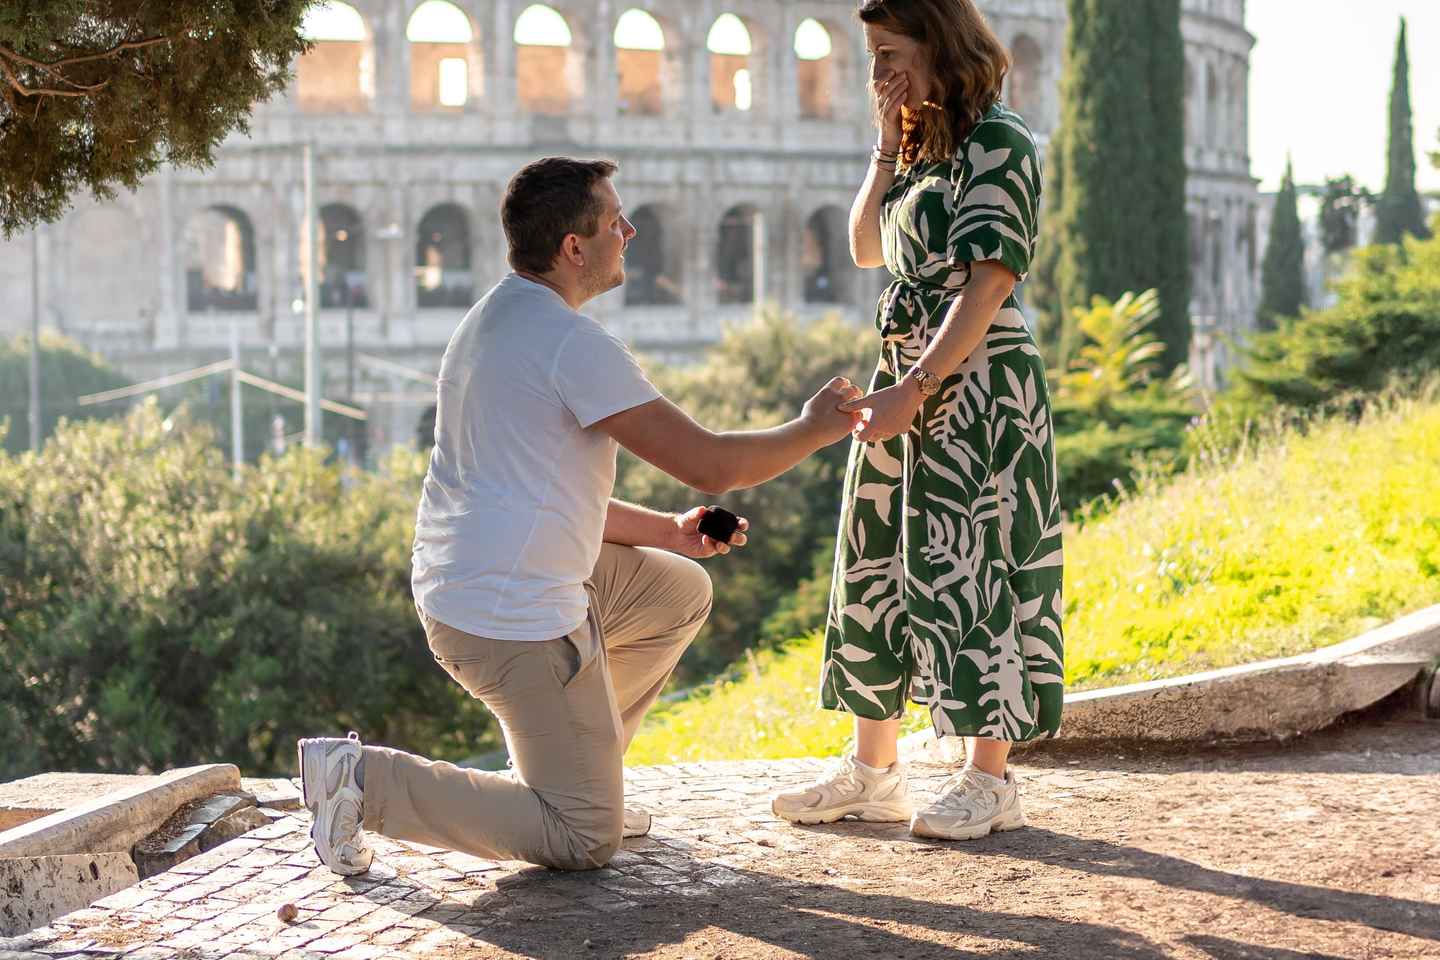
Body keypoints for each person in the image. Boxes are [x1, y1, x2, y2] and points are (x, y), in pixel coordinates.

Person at [298, 157, 862, 875]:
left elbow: (541, 494)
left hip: (469, 583)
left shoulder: (494, 316)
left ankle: (575, 764)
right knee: (583, 836)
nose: (629, 231)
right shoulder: (570, 344)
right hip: (506, 618)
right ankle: (361, 780)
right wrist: (816, 426)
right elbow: (713, 463)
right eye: (614, 221)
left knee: (677, 589)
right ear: (573, 247)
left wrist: (667, 531)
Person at [772, 0, 1064, 841]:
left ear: (940, 45)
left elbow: (991, 280)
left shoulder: (999, 141)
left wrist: (918, 387)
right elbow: (868, 246)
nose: (878, 72)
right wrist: (887, 143)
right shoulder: (925, 145)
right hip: (905, 369)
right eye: (871, 56)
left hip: (975, 380)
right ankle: (872, 773)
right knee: (876, 557)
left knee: (976, 561)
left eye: (891, 53)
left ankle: (990, 779)